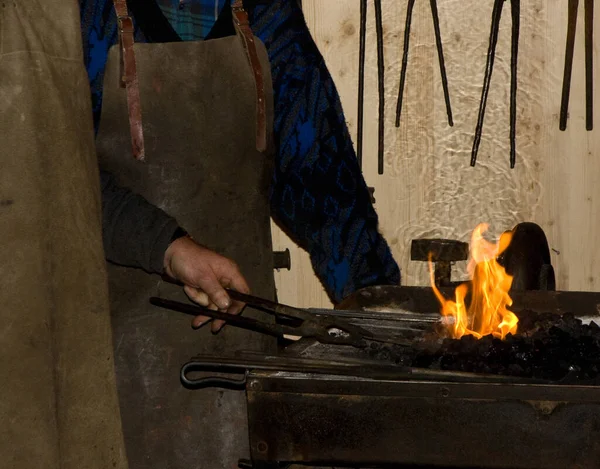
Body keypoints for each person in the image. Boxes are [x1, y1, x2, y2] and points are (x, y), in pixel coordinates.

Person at [81, 0, 401, 305]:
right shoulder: (86, 13)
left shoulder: (264, 11)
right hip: (109, 338)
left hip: (246, 332)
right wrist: (163, 243)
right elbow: (59, 182)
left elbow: (321, 181)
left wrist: (377, 304)